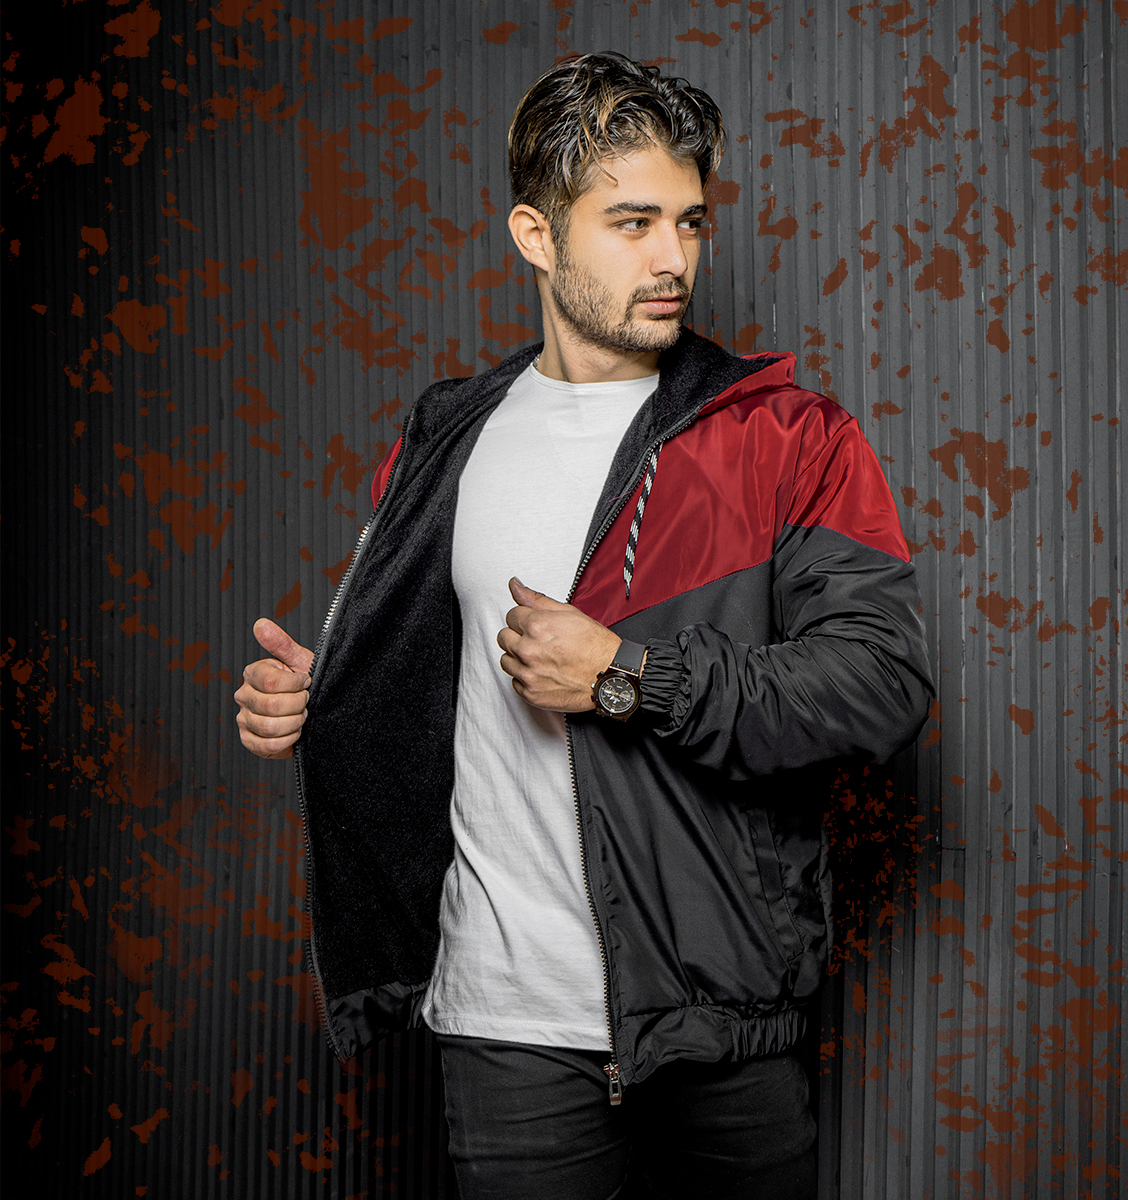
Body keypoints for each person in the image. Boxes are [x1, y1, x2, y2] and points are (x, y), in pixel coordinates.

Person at [235, 52, 933, 1200]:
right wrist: (320, 700)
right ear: (536, 234)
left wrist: (627, 676)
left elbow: (880, 684)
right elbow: (419, 669)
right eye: (631, 222)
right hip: (503, 1023)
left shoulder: (787, 437)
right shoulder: (445, 437)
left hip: (721, 1019)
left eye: (689, 221)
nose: (673, 259)